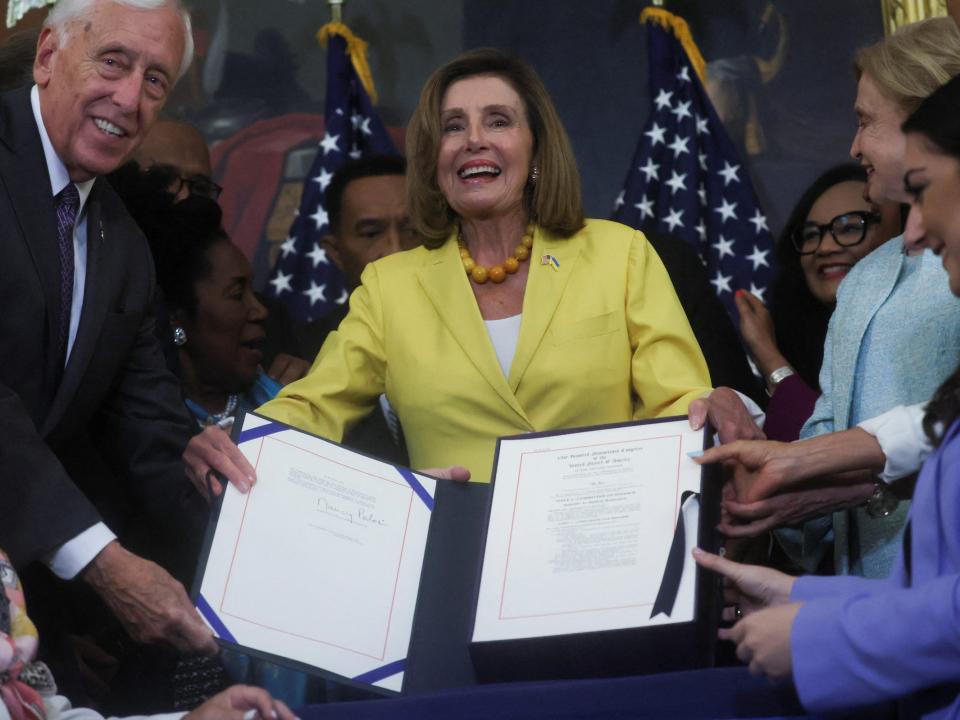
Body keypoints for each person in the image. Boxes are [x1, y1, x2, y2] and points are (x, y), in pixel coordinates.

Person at [185, 48, 757, 491]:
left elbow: (679, 408)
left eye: (498, 121)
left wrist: (708, 411)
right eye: (453, 126)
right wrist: (236, 443)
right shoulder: (392, 286)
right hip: (454, 565)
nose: (473, 140)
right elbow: (314, 405)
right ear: (435, 160)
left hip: (602, 554)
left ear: (536, 151)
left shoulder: (620, 254)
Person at [687, 72, 960, 720]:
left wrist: (816, 633)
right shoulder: (869, 286)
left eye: (920, 194)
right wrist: (798, 593)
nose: (913, 235)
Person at [0, 0, 225, 670]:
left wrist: (285, 522)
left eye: (155, 80)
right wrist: (101, 561)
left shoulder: (123, 245)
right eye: (113, 62)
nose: (129, 98)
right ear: (46, 57)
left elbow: (154, 439)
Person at [767, 18, 960, 578]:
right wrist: (766, 477)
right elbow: (822, 452)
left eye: (865, 122)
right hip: (866, 613)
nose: (853, 147)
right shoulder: (866, 277)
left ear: (926, 116)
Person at [734, 165, 897, 442]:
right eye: (811, 234)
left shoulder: (902, 336)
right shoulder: (796, 337)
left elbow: (830, 451)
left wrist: (770, 359)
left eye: (848, 228)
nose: (824, 247)